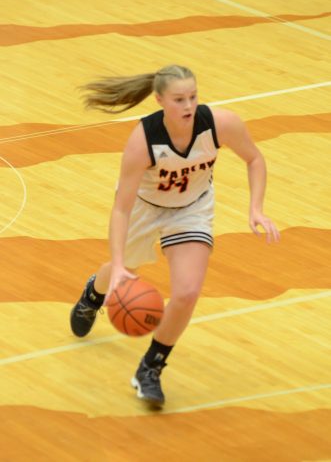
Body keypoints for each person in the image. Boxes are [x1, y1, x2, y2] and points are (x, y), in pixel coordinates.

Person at [70, 64, 280, 407]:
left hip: (191, 209)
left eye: (193, 97)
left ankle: (150, 368)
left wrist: (256, 208)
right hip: (143, 207)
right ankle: (94, 294)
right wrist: (121, 263)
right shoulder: (143, 140)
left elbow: (254, 158)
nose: (188, 105)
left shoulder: (219, 123)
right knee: (126, 269)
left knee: (187, 292)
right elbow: (120, 209)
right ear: (160, 100)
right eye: (179, 99)